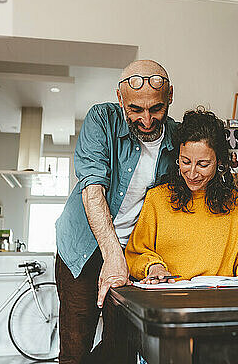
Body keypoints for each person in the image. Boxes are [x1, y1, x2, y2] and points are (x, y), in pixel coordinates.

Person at [54, 60, 178, 364]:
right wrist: (112, 254)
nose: (147, 120)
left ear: (170, 97)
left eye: (156, 108)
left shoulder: (177, 136)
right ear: (120, 99)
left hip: (132, 251)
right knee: (76, 345)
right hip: (84, 248)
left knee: (122, 345)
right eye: (135, 109)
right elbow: (93, 187)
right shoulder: (101, 118)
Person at [125, 109, 238, 286]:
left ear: (220, 162)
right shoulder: (157, 199)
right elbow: (136, 253)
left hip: (222, 304)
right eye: (185, 162)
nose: (192, 173)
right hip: (170, 303)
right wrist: (154, 267)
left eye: (203, 164)